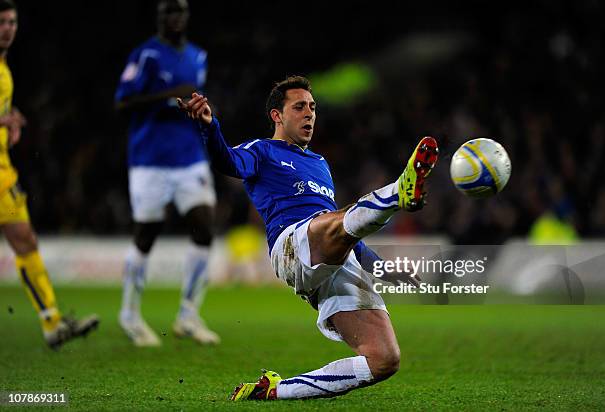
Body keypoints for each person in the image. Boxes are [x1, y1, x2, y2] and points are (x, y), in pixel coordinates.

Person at [177, 75, 438, 400]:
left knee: (384, 359)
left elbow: (348, 234)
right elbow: (226, 160)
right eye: (299, 107)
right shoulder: (261, 151)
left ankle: (274, 392)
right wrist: (208, 126)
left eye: (312, 107)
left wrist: (385, 270)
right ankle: (399, 191)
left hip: (334, 261)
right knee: (334, 221)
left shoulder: (319, 165)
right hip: (291, 246)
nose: (309, 114)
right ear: (277, 115)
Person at [114, 0, 219, 346]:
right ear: (159, 18)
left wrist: (200, 108)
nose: (174, 18)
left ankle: (188, 313)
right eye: (167, 13)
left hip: (190, 157)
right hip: (149, 159)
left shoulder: (198, 57)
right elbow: (122, 103)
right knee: (147, 232)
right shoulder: (146, 56)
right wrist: (166, 95)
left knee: (205, 226)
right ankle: (129, 314)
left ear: (187, 17)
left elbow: (194, 97)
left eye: (180, 12)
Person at [0, 0, 98, 350]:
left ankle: (52, 323)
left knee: (25, 241)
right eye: (2, 22)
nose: (8, 28)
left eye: (12, 22)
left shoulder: (4, 67)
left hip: (3, 176)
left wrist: (11, 118)